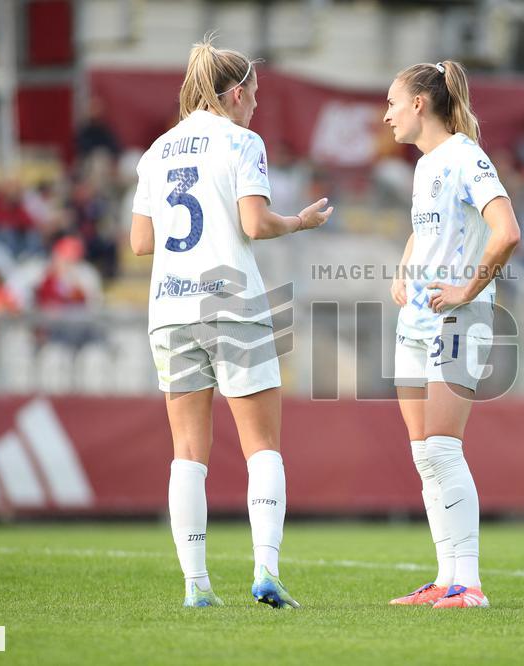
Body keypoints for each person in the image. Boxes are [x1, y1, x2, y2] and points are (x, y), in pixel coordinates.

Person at [130, 37, 332, 609]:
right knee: (261, 445)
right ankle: (266, 569)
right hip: (231, 302)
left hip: (170, 310)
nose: (257, 106)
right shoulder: (243, 141)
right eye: (255, 95)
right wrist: (299, 222)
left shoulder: (156, 151)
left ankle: (196, 585)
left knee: (187, 452)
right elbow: (256, 223)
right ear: (237, 93)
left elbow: (140, 241)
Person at [383, 60, 521, 609]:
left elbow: (507, 231)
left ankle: (470, 584)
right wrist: (403, 269)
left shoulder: (467, 157)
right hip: (415, 322)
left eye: (392, 102)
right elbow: (424, 233)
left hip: (459, 318)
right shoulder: (425, 166)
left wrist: (468, 289)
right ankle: (445, 579)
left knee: (442, 447)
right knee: (425, 455)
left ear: (419, 103)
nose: (387, 114)